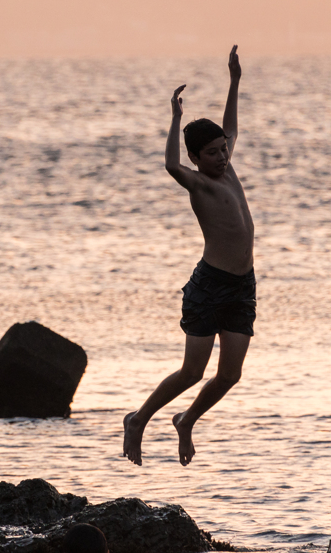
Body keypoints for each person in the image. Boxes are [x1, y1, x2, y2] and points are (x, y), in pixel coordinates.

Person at [123, 45, 255, 467]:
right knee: (192, 371)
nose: (222, 155)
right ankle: (139, 419)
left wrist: (234, 80)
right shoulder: (198, 183)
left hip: (242, 285)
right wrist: (176, 119)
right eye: (213, 153)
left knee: (230, 374)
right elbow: (168, 164)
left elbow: (231, 125)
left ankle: (186, 420)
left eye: (223, 149)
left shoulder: (228, 167)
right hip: (209, 287)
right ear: (197, 158)